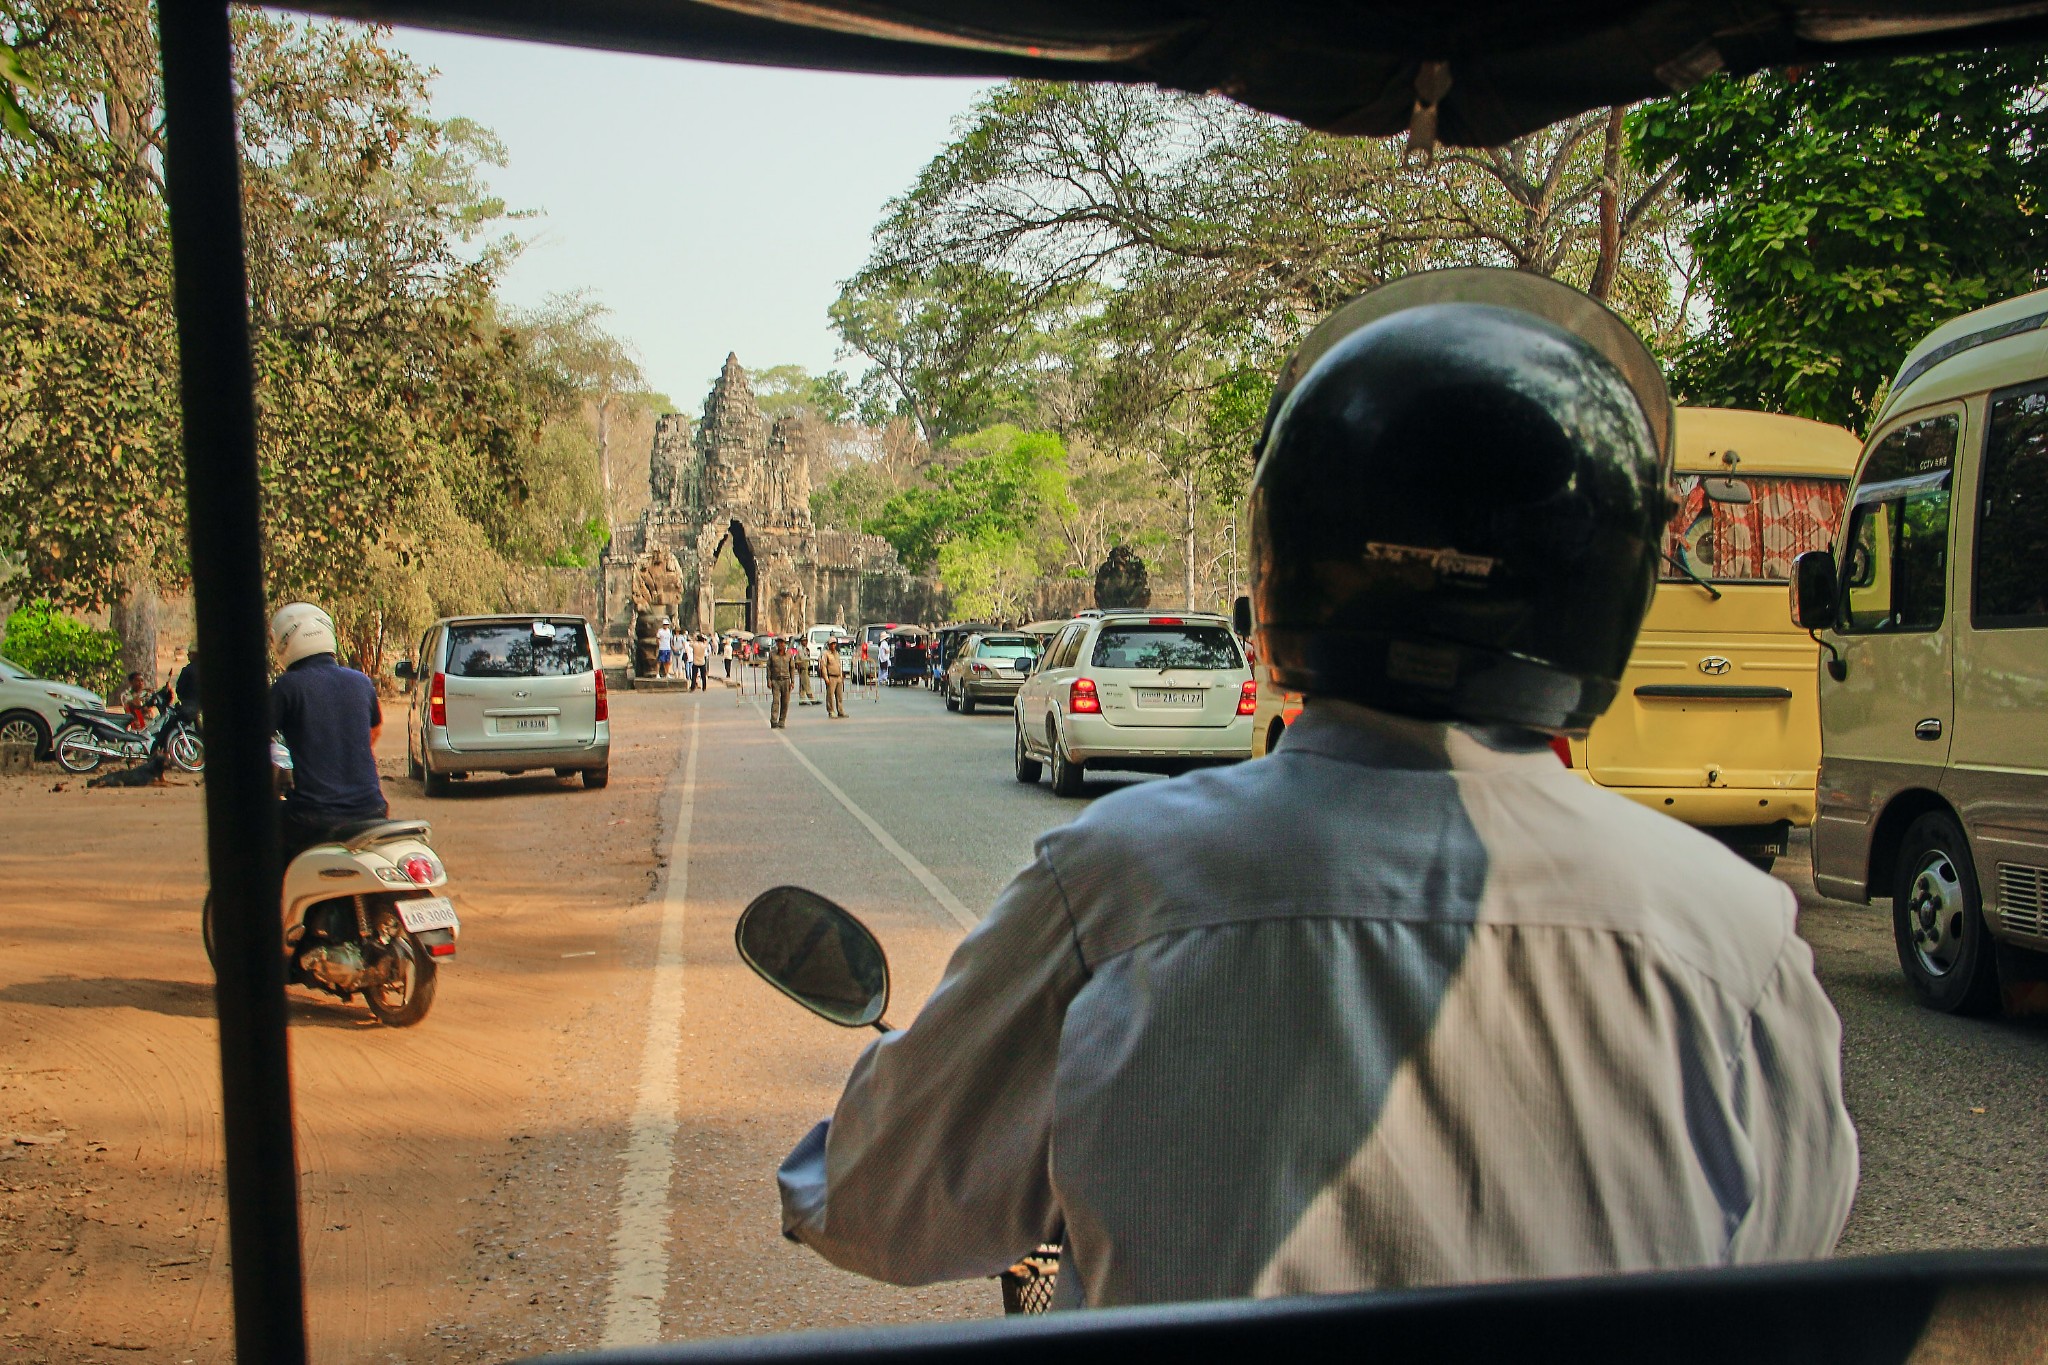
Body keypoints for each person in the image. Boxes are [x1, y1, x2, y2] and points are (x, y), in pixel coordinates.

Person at [776, 270, 1858, 1309]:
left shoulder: (1116, 882)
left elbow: (872, 1210)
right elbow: (1786, 1245)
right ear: (1608, 583)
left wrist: (904, 1097)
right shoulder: (1733, 933)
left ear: (1277, 566)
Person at [269, 601, 387, 864]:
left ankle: (275, 901)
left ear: (283, 642)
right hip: (373, 811)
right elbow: (373, 733)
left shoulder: (287, 687)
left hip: (314, 818)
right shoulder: (362, 682)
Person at [765, 637, 796, 728]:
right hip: (776, 680)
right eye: (779, 643)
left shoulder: (789, 655)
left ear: (785, 644)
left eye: (782, 643)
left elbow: (792, 668)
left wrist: (792, 681)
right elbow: (768, 668)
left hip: (786, 680)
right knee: (776, 701)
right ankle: (774, 720)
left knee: (785, 702)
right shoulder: (772, 654)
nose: (780, 645)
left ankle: (782, 720)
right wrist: (769, 680)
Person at [820, 635, 847, 719]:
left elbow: (839, 665)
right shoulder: (826, 654)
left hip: (838, 677)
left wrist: (841, 676)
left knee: (839, 696)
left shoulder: (837, 654)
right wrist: (826, 678)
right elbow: (823, 666)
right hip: (831, 677)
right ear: (829, 645)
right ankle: (831, 711)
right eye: (831, 644)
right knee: (830, 696)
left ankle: (840, 711)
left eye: (834, 644)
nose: (833, 645)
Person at [796, 639, 819, 707]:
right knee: (806, 684)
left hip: (805, 667)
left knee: (803, 685)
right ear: (801, 642)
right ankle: (811, 699)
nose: (805, 642)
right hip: (802, 667)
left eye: (806, 641)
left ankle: (802, 699)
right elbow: (802, 658)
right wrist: (812, 659)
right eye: (804, 641)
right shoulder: (800, 649)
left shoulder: (806, 649)